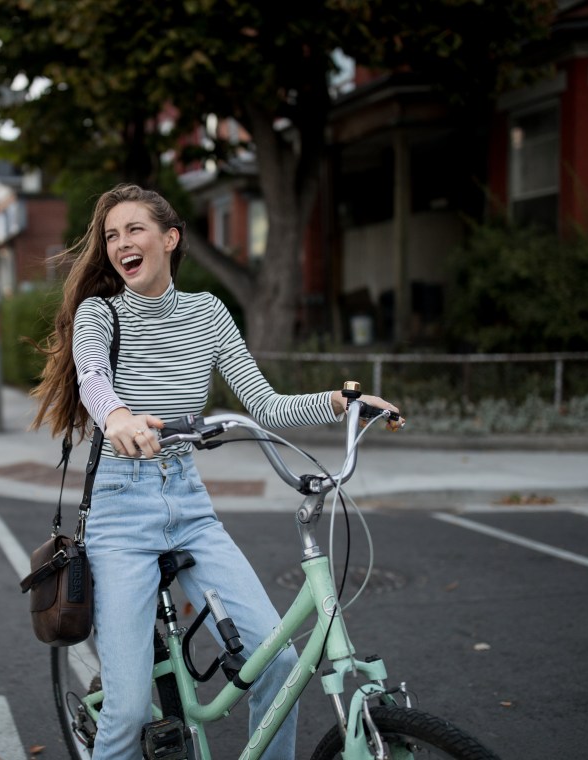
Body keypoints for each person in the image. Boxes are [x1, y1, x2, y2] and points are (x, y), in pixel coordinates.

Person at [30, 184, 403, 760]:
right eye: (111, 236)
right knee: (127, 715)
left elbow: (268, 406)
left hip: (189, 506)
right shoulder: (98, 313)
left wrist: (341, 400)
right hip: (120, 514)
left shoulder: (208, 313)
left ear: (170, 238)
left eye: (134, 230)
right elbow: (93, 379)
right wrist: (119, 416)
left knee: (278, 663)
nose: (121, 243)